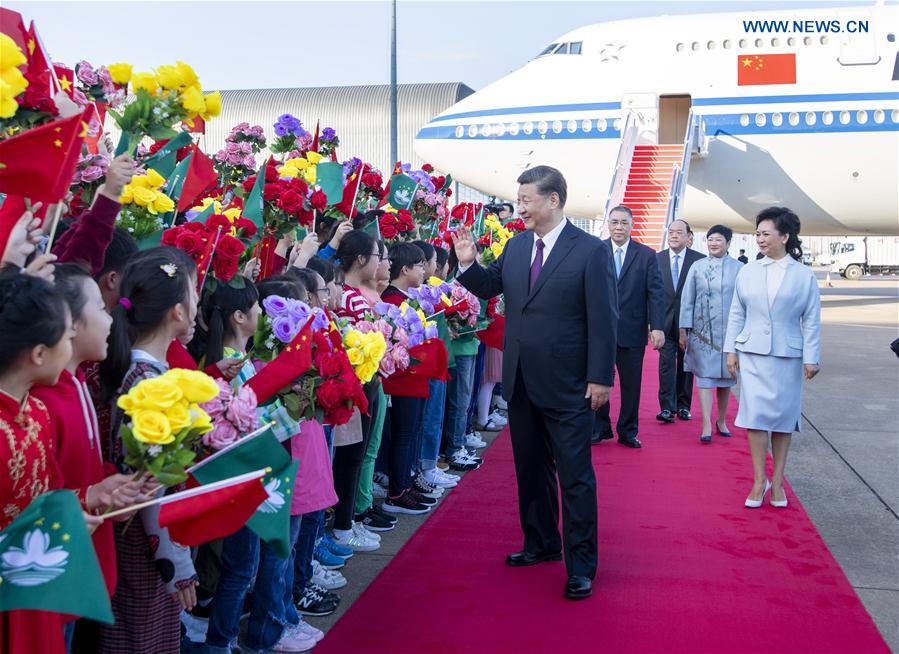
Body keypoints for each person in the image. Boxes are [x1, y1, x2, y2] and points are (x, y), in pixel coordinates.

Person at [454, 165, 617, 600]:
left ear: (554, 200)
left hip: (570, 385)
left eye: (527, 199)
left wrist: (600, 378)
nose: (520, 206)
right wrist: (468, 261)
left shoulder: (590, 251)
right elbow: (491, 286)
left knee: (575, 476)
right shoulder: (518, 244)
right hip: (521, 380)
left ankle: (581, 565)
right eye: (520, 198)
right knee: (530, 470)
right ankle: (541, 542)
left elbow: (604, 319)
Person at [97, 247, 200, 654]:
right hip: (145, 544)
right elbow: (152, 486)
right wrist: (178, 565)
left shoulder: (146, 370)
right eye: (193, 290)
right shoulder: (148, 383)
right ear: (176, 310)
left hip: (140, 540)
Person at [724, 207, 820, 508]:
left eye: (766, 234)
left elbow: (812, 319)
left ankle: (777, 482)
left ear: (785, 236)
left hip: (788, 356)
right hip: (752, 353)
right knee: (755, 417)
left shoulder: (804, 275)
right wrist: (730, 350)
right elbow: (737, 312)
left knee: (783, 419)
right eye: (757, 234)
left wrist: (811, 357)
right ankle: (758, 480)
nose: (760, 240)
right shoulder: (748, 271)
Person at [0, 270, 74, 654]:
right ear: (39, 354)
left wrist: (95, 498)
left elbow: (50, 496)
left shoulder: (39, 412)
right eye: (66, 335)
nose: (73, 340)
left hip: (34, 591)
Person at [593, 205, 665, 448]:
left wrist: (657, 326)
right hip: (600, 332)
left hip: (632, 330)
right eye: (614, 222)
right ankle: (600, 427)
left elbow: (656, 293)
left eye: (624, 223)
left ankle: (627, 431)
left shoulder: (646, 254)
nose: (619, 227)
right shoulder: (596, 250)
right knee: (598, 380)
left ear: (632, 225)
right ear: (608, 224)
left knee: (631, 386)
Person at [678, 225, 744, 443]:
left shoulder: (739, 269)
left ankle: (721, 420)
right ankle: (706, 422)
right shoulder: (697, 267)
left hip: (730, 332)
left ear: (728, 243)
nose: (714, 243)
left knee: (726, 379)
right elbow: (687, 300)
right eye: (710, 240)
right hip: (702, 332)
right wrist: (683, 329)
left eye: (718, 240)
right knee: (705, 377)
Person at [656, 219, 704, 423]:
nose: (674, 236)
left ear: (688, 237)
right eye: (671, 232)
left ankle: (684, 406)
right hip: (664, 322)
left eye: (679, 232)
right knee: (666, 364)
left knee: (686, 365)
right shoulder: (656, 259)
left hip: (690, 324)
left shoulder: (699, 260)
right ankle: (667, 407)